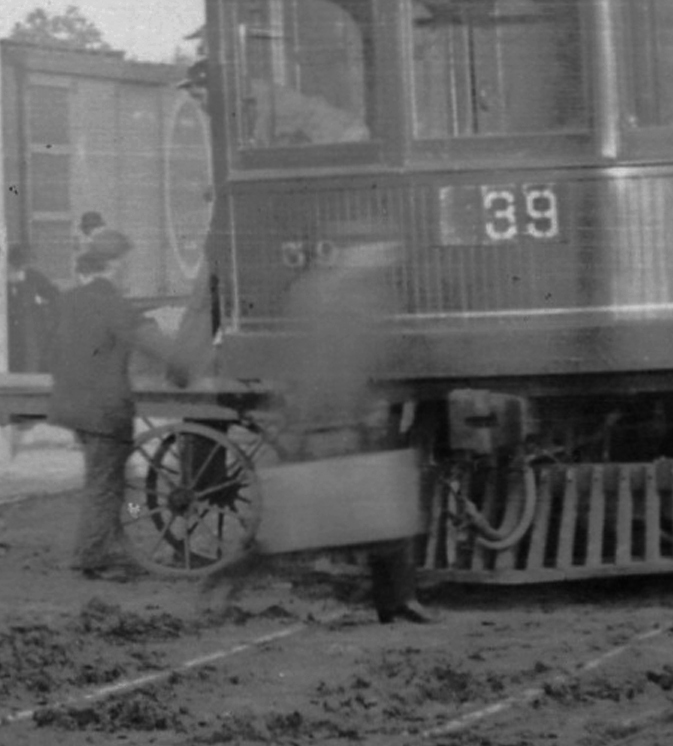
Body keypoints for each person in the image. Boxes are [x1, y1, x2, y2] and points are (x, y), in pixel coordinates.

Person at [225, 236, 434, 625]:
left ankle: (399, 601)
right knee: (314, 522)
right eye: (377, 250)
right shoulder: (333, 298)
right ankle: (232, 586)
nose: (385, 257)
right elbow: (325, 362)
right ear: (357, 254)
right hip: (337, 420)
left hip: (351, 418)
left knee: (382, 515)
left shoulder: (344, 294)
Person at [46, 225, 209, 579]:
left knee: (107, 481)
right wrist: (191, 366)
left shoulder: (69, 300)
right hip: (105, 410)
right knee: (105, 487)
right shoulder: (115, 305)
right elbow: (159, 346)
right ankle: (90, 557)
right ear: (115, 264)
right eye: (125, 263)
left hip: (73, 406)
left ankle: (109, 547)